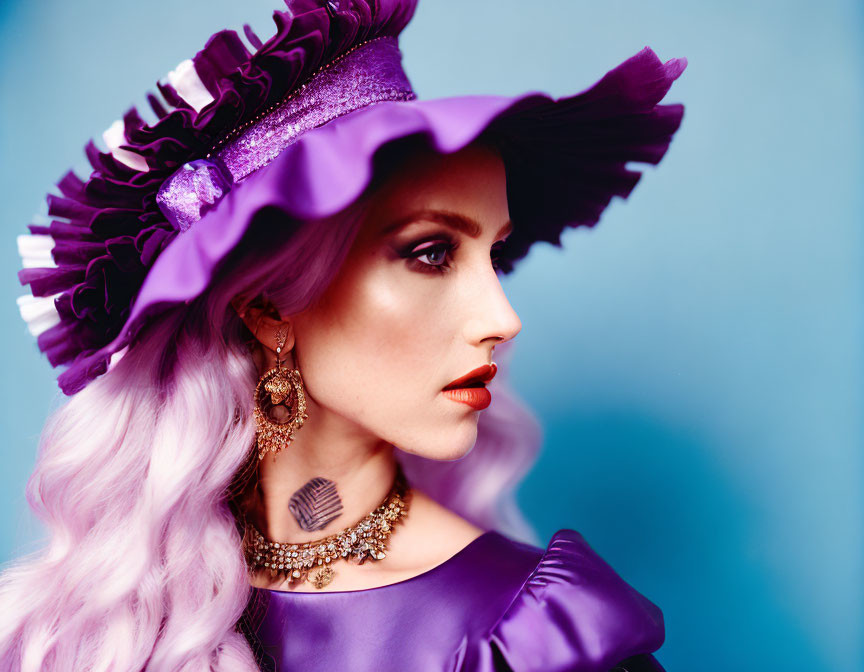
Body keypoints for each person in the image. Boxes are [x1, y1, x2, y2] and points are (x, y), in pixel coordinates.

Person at [4, 0, 686, 670]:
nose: (503, 319)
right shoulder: (102, 614)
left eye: (495, 256)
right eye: (432, 254)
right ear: (267, 304)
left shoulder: (534, 639)